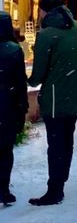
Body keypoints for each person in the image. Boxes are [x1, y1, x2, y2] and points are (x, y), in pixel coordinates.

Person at [28, 0, 77, 206]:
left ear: (45, 11)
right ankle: (60, 184)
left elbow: (38, 74)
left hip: (55, 98)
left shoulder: (47, 35)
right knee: (66, 141)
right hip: (75, 95)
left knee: (55, 144)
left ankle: (54, 190)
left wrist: (27, 79)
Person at [0, 11, 28, 205]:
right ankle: (3, 189)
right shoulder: (13, 50)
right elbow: (20, 83)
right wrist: (22, 108)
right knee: (4, 151)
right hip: (6, 107)